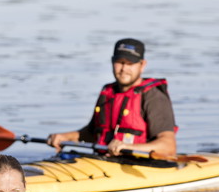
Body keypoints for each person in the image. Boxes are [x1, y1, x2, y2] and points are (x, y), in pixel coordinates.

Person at [46, 38, 177, 158]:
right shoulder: (108, 92)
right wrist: (65, 137)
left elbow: (168, 146)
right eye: (120, 62)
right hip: (105, 161)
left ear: (142, 65)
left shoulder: (153, 96)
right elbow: (91, 134)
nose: (124, 69)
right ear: (112, 62)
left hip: (141, 164)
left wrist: (129, 147)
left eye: (130, 64)